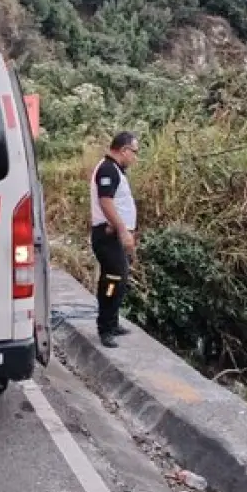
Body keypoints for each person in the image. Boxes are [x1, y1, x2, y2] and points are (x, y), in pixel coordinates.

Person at [89, 131, 139, 348]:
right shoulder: (108, 169)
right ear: (124, 150)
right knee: (112, 282)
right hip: (107, 237)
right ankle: (105, 328)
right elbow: (106, 202)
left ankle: (112, 322)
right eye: (134, 152)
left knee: (117, 280)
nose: (135, 157)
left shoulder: (115, 169)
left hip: (114, 236)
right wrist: (122, 230)